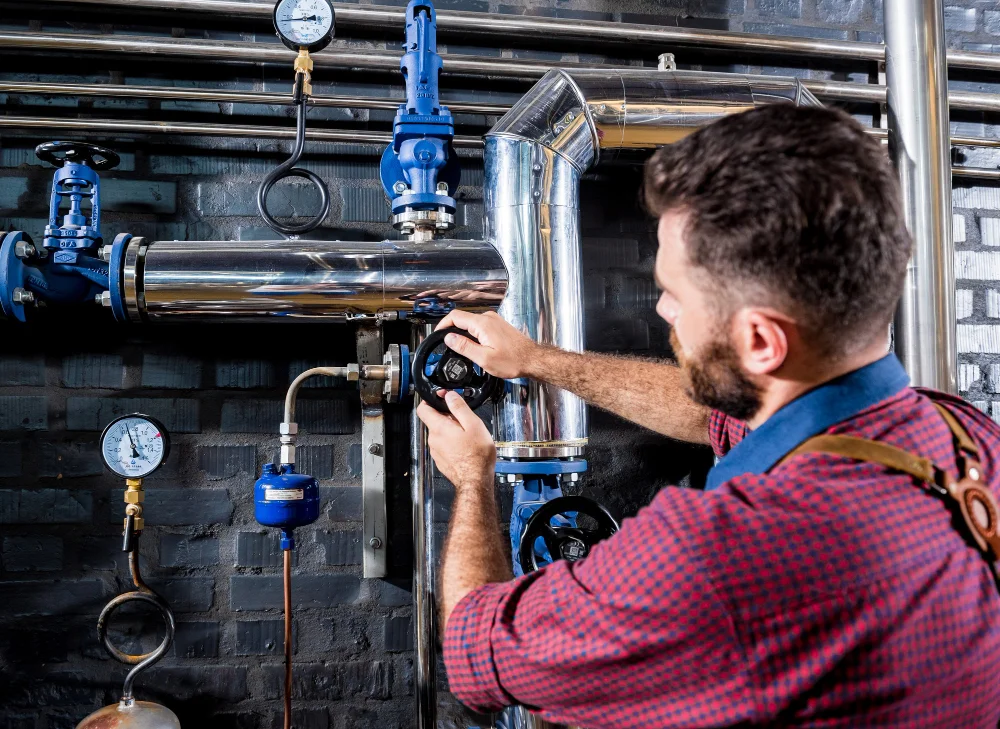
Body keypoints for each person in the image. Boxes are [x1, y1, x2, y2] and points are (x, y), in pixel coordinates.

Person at [415, 104, 1000, 728]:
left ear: (760, 342)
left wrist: (473, 480)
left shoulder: (716, 556)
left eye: (675, 291)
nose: (664, 309)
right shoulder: (965, 437)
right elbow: (713, 414)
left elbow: (475, 654)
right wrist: (535, 359)